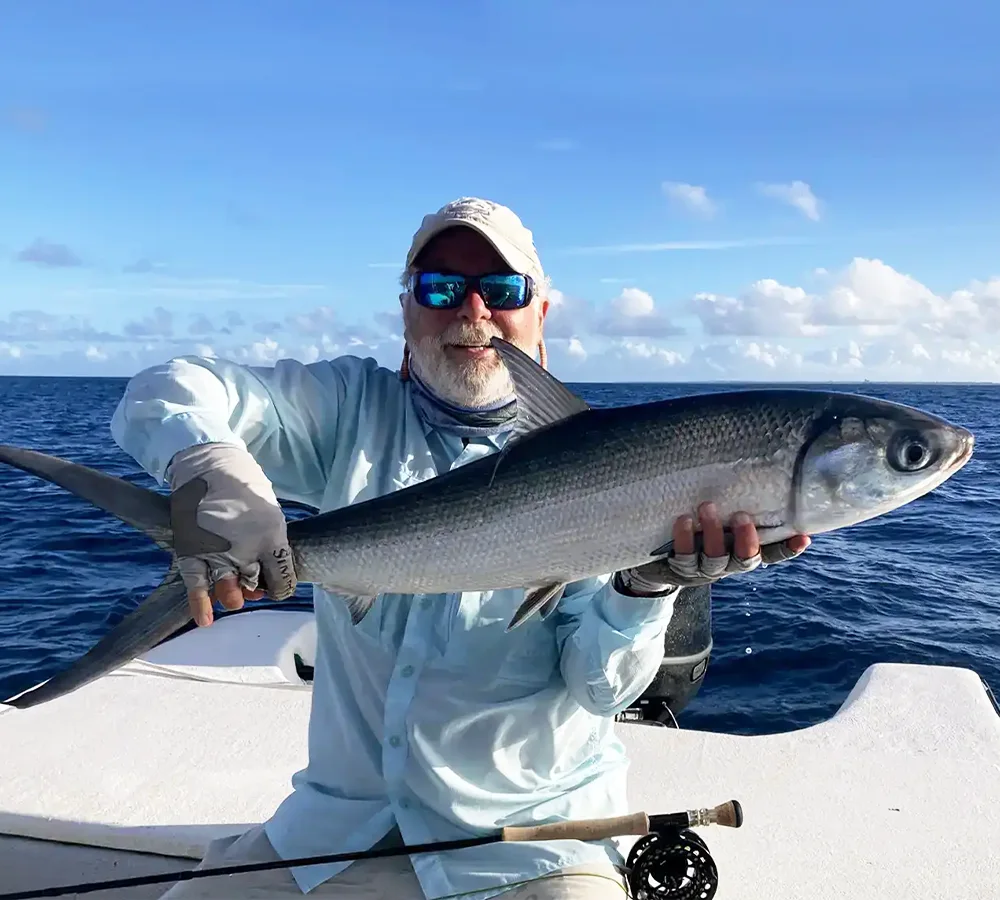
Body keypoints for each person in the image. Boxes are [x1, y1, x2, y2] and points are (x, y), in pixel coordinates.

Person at [110, 196, 810, 899]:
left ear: (541, 313)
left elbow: (601, 688)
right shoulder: (350, 409)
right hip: (333, 836)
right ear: (406, 311)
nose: (472, 310)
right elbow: (167, 389)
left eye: (501, 289)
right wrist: (207, 463)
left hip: (537, 847)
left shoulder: (621, 469)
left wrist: (646, 588)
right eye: (439, 288)